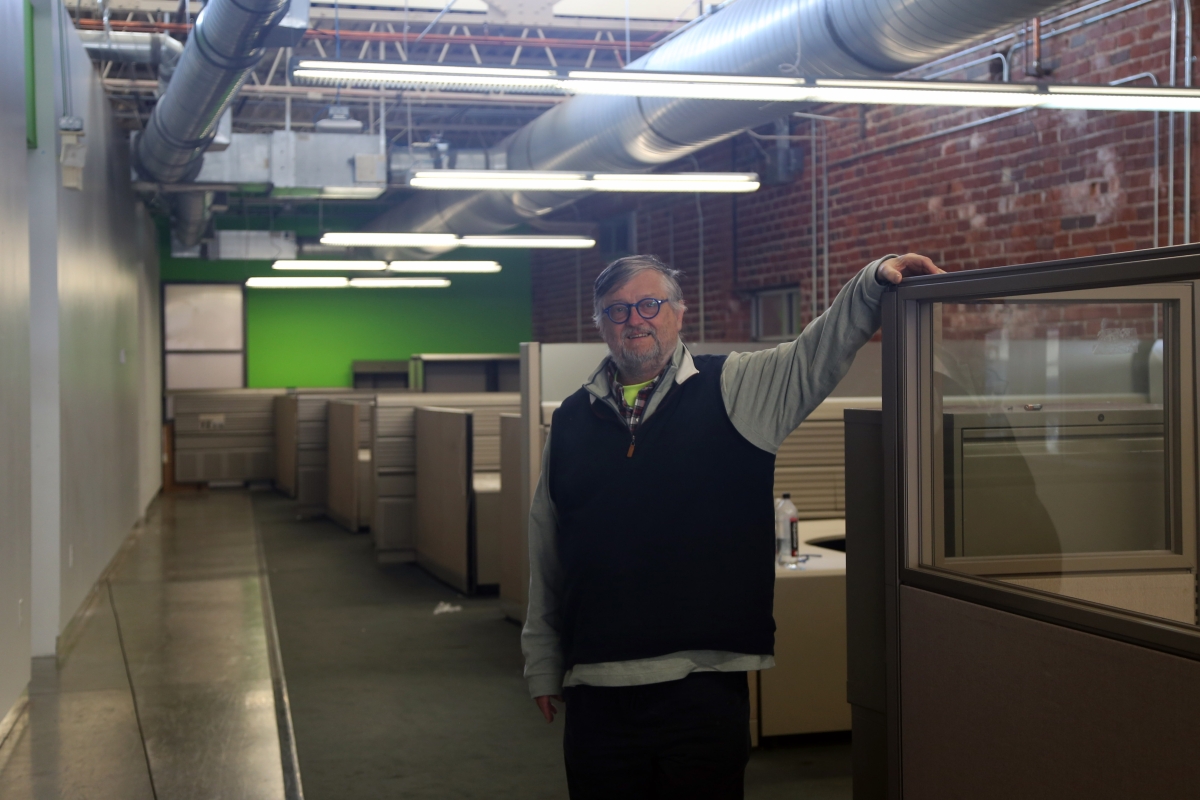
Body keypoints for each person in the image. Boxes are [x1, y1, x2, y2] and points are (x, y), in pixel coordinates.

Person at [522, 252, 943, 799]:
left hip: (703, 683)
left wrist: (870, 284)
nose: (635, 320)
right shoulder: (573, 417)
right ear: (600, 324)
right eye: (617, 310)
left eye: (650, 304)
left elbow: (813, 354)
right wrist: (541, 658)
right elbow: (548, 543)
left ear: (678, 313)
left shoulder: (735, 388)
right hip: (597, 685)